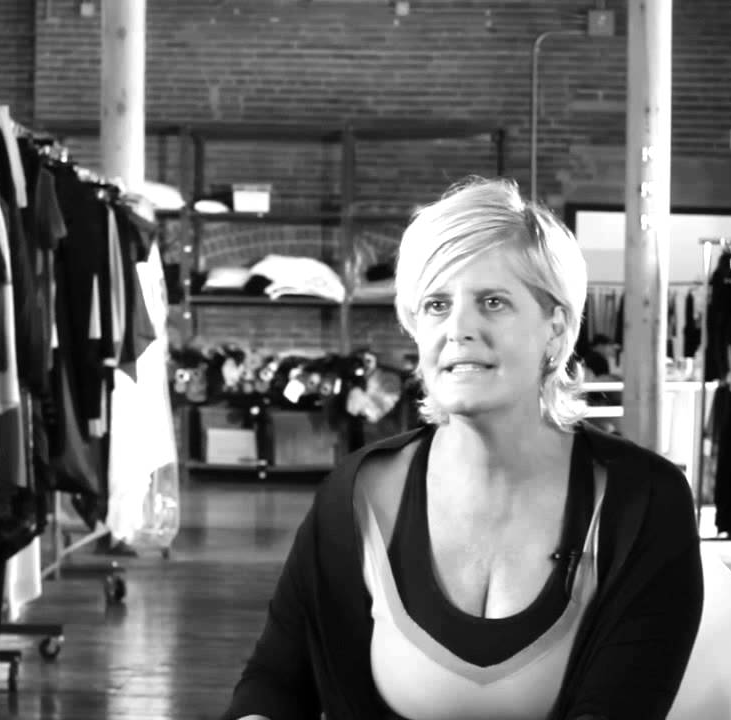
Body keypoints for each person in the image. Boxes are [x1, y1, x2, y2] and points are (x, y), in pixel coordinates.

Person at [221, 177, 703, 720]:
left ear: (556, 326)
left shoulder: (644, 503)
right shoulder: (355, 496)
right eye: (436, 304)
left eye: (493, 302)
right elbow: (276, 681)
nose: (459, 329)